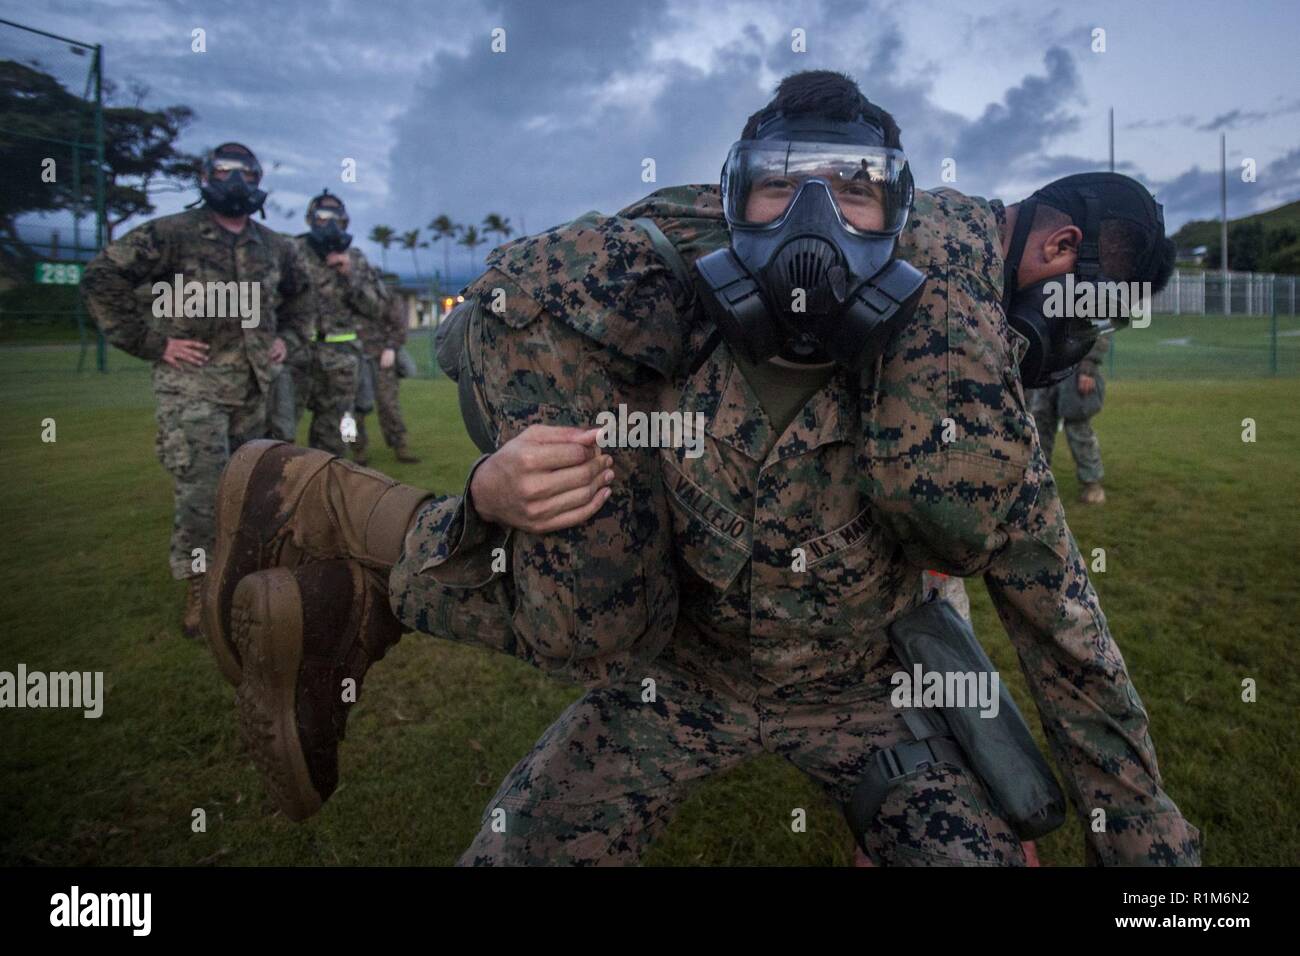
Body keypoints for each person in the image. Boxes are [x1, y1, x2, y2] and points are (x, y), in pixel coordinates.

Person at [203, 73, 1198, 866]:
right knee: (572, 668)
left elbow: (1064, 635)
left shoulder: (962, 384)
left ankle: (367, 583)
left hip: (857, 693)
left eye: (857, 194)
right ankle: (340, 528)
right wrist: (490, 484)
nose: (820, 225)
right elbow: (530, 313)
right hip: (673, 680)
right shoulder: (661, 321)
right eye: (782, 188)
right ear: (734, 205)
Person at [82, 142, 313, 639]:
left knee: (264, 490)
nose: (236, 181)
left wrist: (286, 340)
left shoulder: (277, 246)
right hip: (193, 391)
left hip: (261, 392)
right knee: (203, 494)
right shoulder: (171, 235)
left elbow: (302, 301)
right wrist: (152, 342)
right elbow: (102, 276)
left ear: (258, 181)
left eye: (246, 173)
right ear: (205, 176)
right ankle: (201, 590)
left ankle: (260, 580)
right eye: (224, 171)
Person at [292, 190, 391, 456]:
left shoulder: (355, 258)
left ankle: (323, 489)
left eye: (337, 217)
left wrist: (349, 276)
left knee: (334, 435)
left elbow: (377, 308)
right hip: (295, 354)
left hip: (339, 359)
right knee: (279, 428)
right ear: (311, 219)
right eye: (323, 216)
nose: (331, 223)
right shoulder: (292, 251)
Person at [1027, 336, 1109, 503]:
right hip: (1046, 367)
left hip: (1075, 367)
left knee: (1078, 427)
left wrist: (1088, 368)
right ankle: (1038, 481)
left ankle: (1092, 483)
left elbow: (1098, 329)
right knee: (1039, 426)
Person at [353, 290, 420, 465]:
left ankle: (401, 446)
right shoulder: (345, 291)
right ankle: (356, 449)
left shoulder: (385, 294)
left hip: (382, 357)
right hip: (353, 357)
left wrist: (391, 348)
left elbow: (399, 326)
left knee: (389, 404)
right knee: (352, 408)